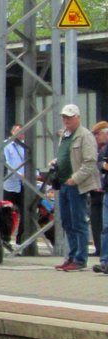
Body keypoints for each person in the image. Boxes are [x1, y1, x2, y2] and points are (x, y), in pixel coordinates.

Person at [50, 103, 100, 271]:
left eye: (69, 117)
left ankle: (80, 259)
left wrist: (75, 178)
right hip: (63, 184)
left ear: (78, 117)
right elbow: (65, 156)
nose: (66, 120)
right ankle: (71, 256)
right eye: (64, 117)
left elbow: (90, 162)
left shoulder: (85, 136)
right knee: (66, 221)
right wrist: (56, 162)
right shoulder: (64, 135)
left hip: (76, 185)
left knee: (78, 221)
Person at [2, 124, 28, 246]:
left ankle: (21, 240)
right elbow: (6, 163)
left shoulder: (25, 146)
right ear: (12, 132)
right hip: (10, 184)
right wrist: (17, 174)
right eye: (17, 132)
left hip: (23, 184)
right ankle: (5, 238)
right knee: (6, 212)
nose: (20, 135)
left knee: (26, 212)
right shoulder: (6, 145)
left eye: (22, 132)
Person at [90, 121, 108, 258]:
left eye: (97, 134)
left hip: (103, 188)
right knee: (98, 223)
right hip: (97, 189)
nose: (96, 137)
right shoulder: (96, 149)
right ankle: (101, 252)